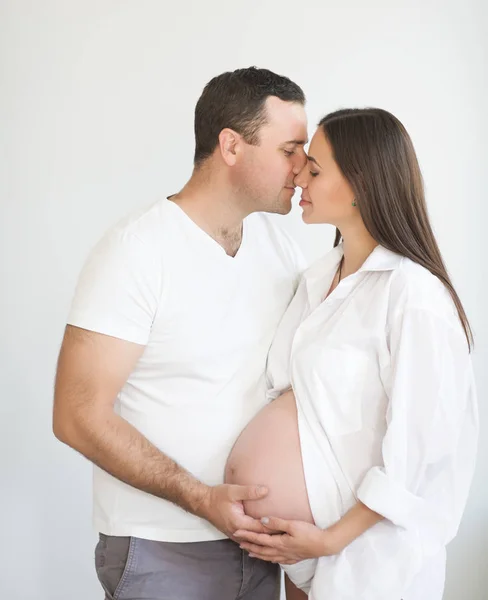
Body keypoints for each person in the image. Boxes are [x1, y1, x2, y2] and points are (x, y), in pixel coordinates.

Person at [52, 66, 309, 600]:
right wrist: (199, 497)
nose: (303, 167)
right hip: (162, 549)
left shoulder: (281, 249)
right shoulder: (136, 251)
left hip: (260, 546)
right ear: (231, 146)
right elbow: (76, 415)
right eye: (290, 149)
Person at [227, 108, 478, 600]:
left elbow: (422, 454)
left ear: (361, 184)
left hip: (366, 563)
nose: (298, 173)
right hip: (302, 560)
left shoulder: (413, 295)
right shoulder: (318, 278)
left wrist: (327, 540)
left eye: (315, 169)